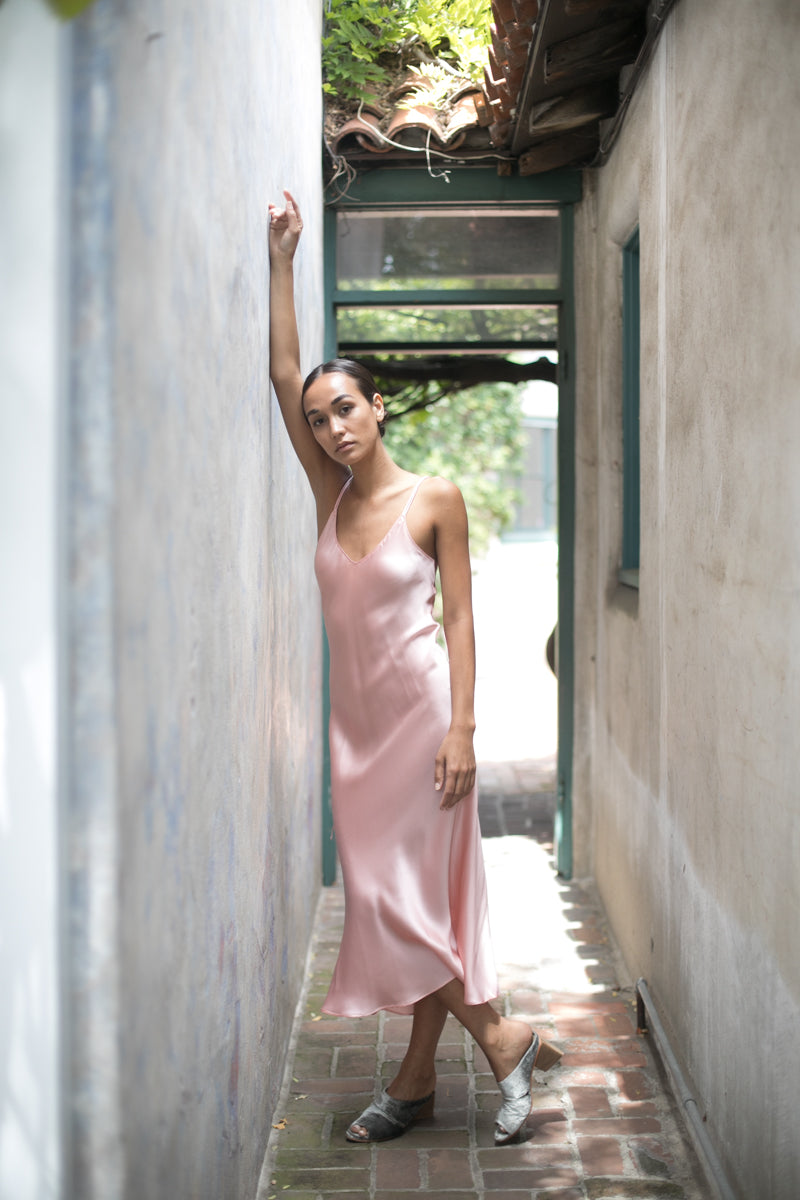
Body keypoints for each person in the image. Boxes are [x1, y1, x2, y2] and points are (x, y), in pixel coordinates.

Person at [267, 190, 561, 1145]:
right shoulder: (328, 495)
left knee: (414, 904)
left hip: (427, 729)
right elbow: (280, 371)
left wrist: (468, 728)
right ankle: (492, 1041)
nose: (332, 428)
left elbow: (465, 618)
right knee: (390, 902)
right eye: (317, 420)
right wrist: (282, 261)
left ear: (377, 405)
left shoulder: (435, 497)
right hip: (357, 743)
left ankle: (431, 1075)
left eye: (344, 407)